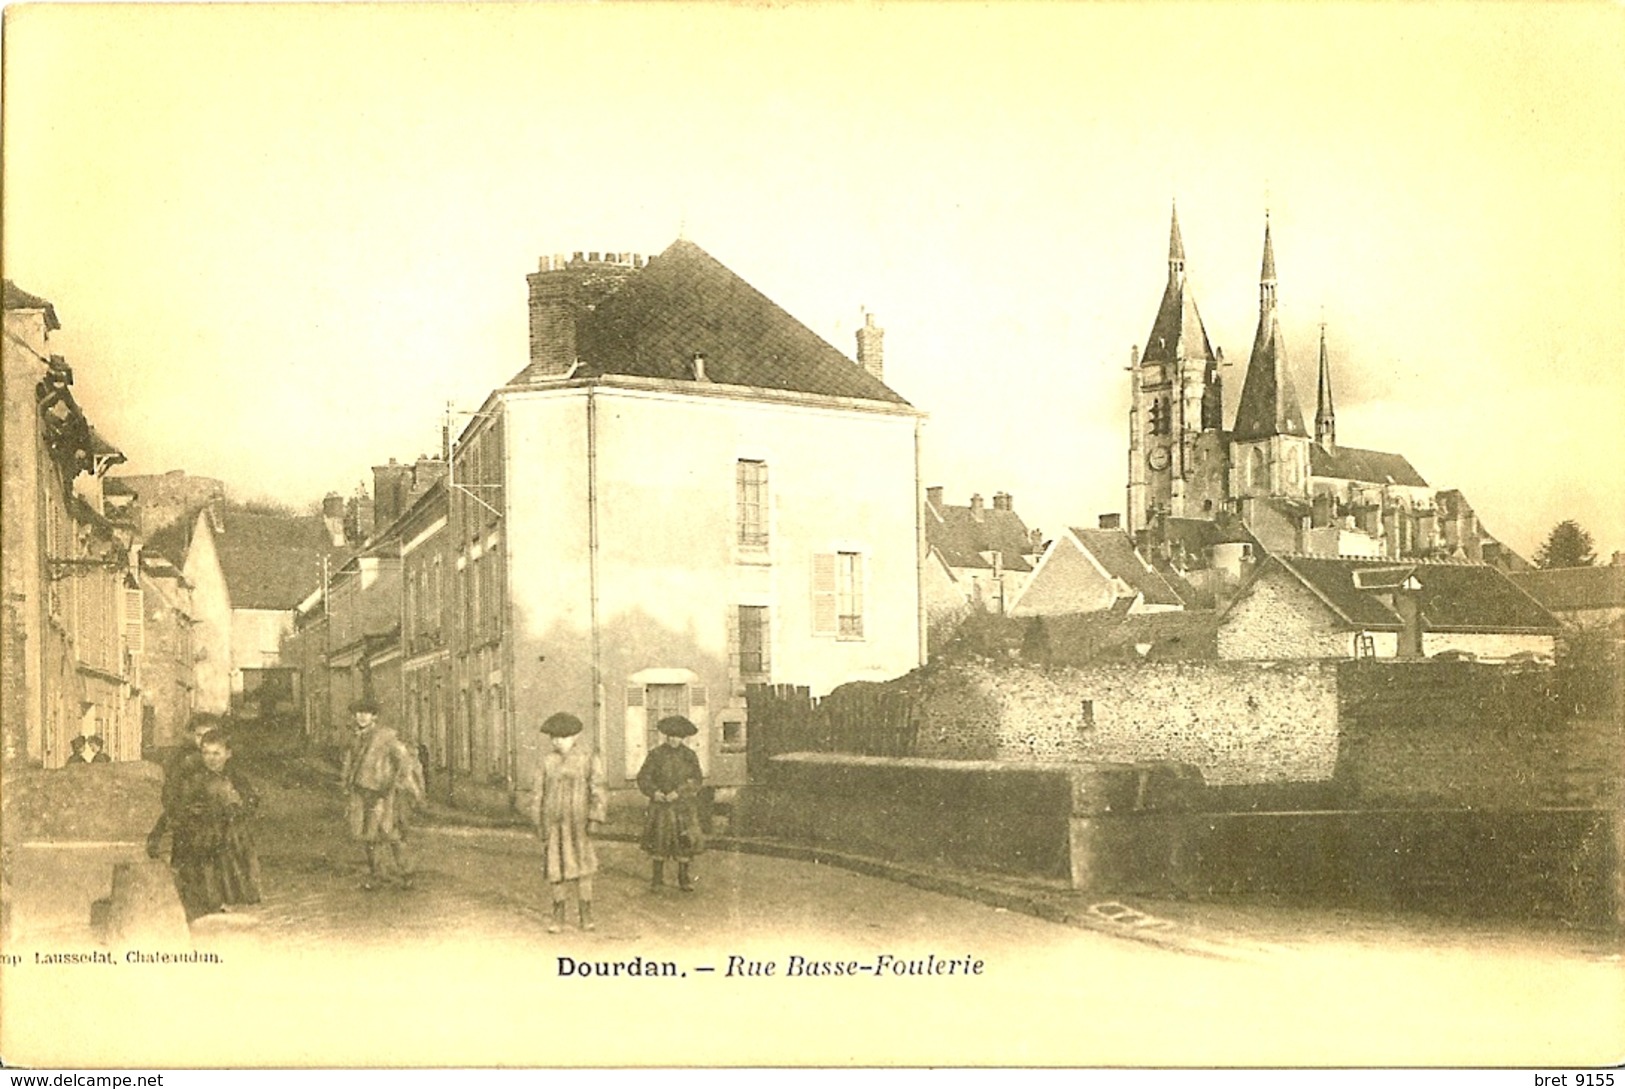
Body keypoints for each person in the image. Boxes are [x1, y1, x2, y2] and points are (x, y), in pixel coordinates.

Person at [170, 729, 262, 920]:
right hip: (204, 833)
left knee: (232, 866)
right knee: (205, 868)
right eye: (205, 753)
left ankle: (229, 899)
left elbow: (250, 800)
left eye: (216, 753)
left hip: (231, 833)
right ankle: (208, 902)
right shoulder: (195, 779)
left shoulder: (236, 777)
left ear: (228, 754)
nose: (210, 758)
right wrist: (194, 812)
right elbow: (183, 805)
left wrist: (239, 806)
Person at [530, 712, 606, 933]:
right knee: (555, 869)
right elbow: (537, 794)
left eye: (563, 737)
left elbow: (598, 788)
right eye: (553, 737)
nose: (557, 741)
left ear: (575, 737)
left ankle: (586, 914)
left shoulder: (588, 759)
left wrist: (594, 817)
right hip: (554, 825)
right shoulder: (546, 762)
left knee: (583, 869)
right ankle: (558, 914)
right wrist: (538, 821)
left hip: (578, 825)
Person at [341, 696, 424, 891]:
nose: (362, 717)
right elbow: (349, 763)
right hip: (361, 792)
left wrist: (398, 782)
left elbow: (403, 758)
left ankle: (407, 873)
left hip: (382, 793)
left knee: (390, 833)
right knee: (367, 836)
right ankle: (377, 875)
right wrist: (346, 783)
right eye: (358, 713)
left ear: (374, 716)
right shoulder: (355, 737)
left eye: (367, 713)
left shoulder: (386, 737)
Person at [636, 715, 705, 892]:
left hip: (683, 807)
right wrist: (654, 792)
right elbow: (644, 777)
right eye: (670, 736)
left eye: (678, 736)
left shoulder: (690, 756)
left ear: (683, 738)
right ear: (665, 736)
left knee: (684, 841)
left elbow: (696, 779)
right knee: (659, 839)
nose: (674, 739)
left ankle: (684, 878)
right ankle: (657, 879)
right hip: (661, 806)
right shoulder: (656, 754)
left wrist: (679, 792)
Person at [147, 713, 220, 860]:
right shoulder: (182, 760)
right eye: (199, 735)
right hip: (187, 820)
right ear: (191, 735)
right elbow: (171, 792)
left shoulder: (220, 759)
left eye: (209, 735)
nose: (204, 741)